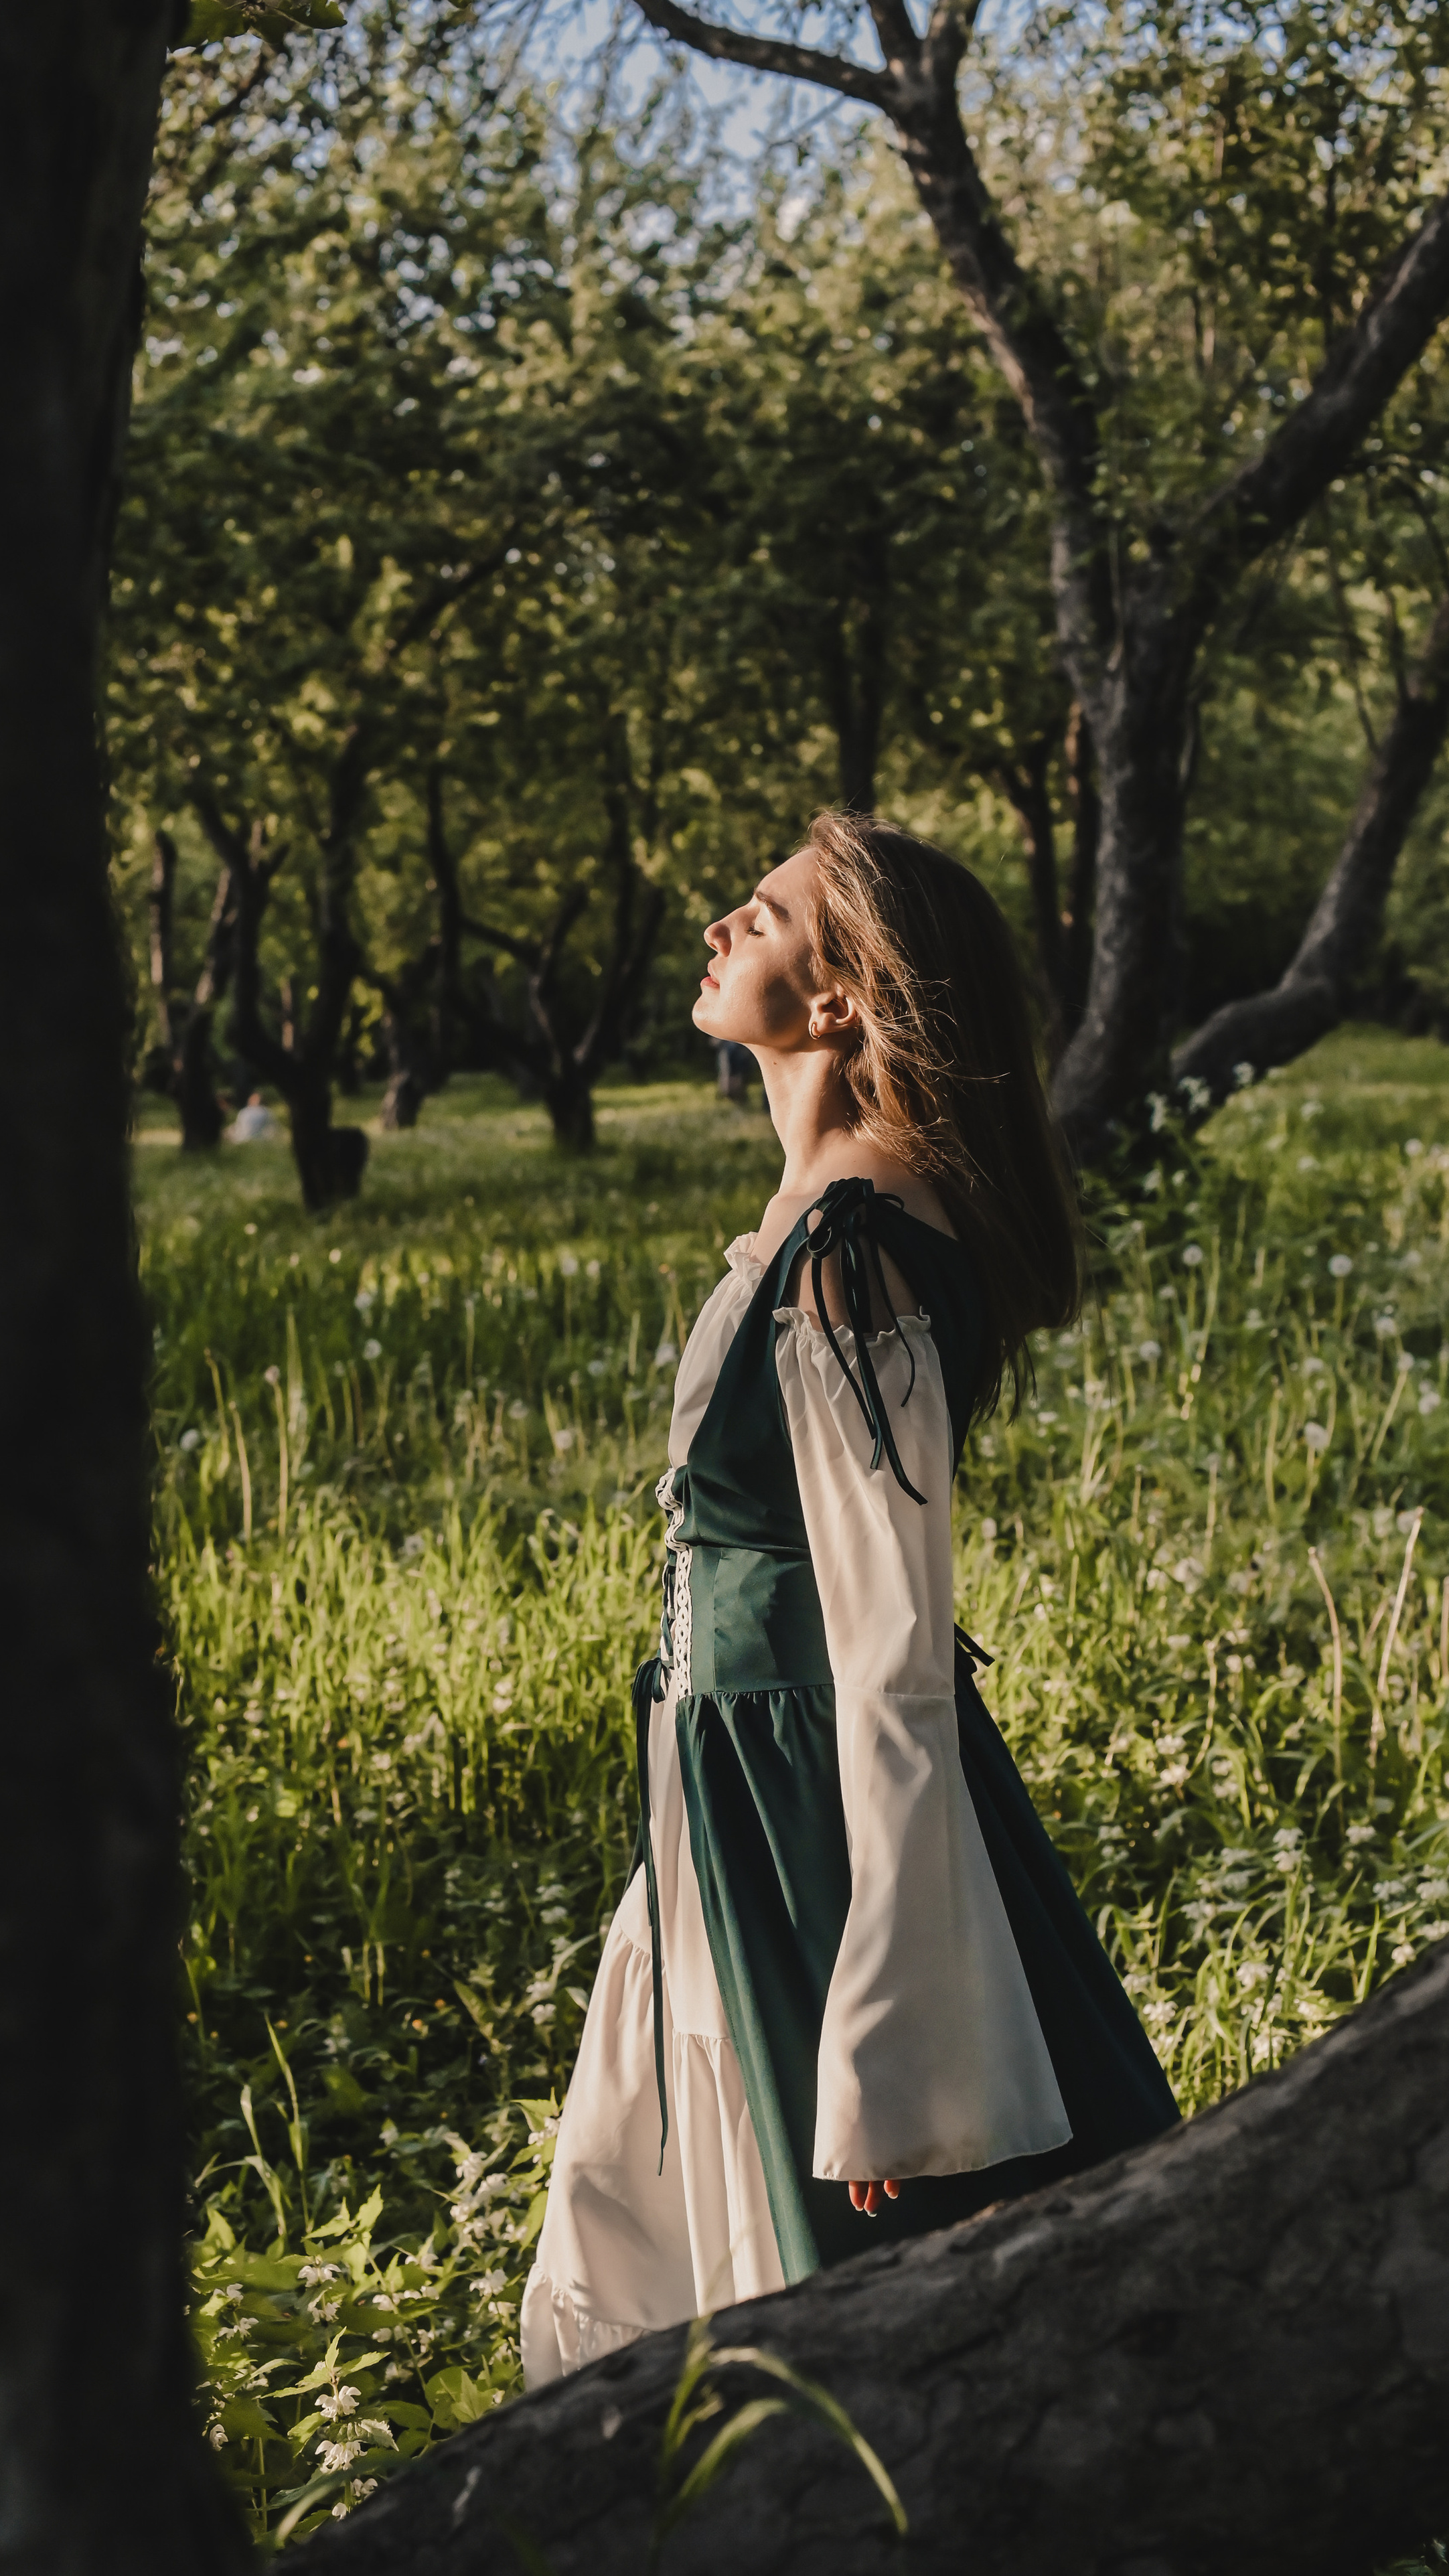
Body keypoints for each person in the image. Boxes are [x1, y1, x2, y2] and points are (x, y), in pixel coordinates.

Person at [520, 811, 1179, 2385]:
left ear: (836, 1000)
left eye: (758, 916)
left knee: (865, 2273)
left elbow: (891, 1651)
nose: (715, 928)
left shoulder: (855, 1249)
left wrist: (893, 2038)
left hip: (810, 1802)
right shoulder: (827, 1216)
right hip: (732, 1777)